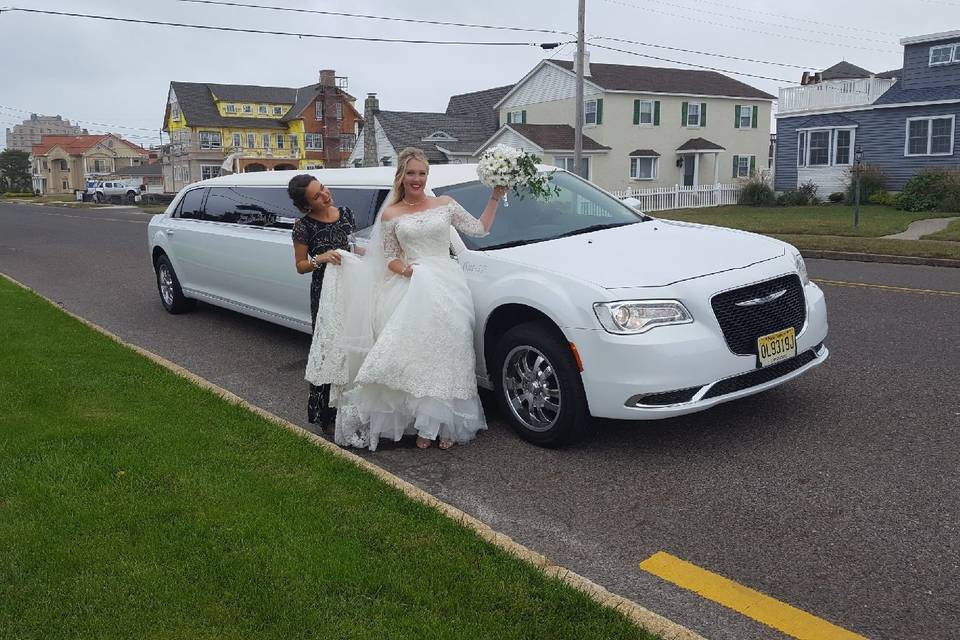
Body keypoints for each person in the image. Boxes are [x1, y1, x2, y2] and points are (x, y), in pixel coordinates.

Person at [306, 147, 505, 451]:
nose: (417, 179)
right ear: (401, 175)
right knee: (415, 358)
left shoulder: (445, 204)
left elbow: (480, 228)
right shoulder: (391, 214)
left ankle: (443, 423)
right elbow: (389, 258)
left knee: (449, 355)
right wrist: (408, 271)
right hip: (409, 285)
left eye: (422, 173)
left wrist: (495, 195)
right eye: (411, 173)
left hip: (449, 288)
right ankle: (420, 425)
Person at [289, 174, 355, 431]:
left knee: (352, 343)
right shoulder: (303, 226)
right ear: (306, 206)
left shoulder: (347, 213)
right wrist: (322, 257)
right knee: (329, 346)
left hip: (351, 286)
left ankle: (352, 405)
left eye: (323, 188)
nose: (325, 195)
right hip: (324, 292)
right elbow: (300, 266)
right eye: (317, 195)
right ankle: (327, 412)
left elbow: (353, 246)